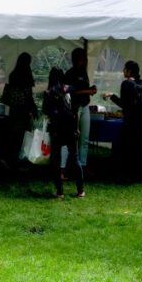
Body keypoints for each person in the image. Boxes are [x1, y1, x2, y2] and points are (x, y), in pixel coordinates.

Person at [103, 60, 142, 183]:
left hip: (131, 123)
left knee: (129, 148)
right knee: (141, 148)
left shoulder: (126, 84)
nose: (122, 71)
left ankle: (128, 174)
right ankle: (141, 174)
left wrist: (112, 96)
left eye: (124, 69)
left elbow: (124, 104)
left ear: (129, 71)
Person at [43, 68, 84, 199]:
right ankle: (80, 190)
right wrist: (77, 128)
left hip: (56, 130)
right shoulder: (71, 89)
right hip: (71, 128)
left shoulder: (49, 92)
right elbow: (76, 110)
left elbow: (46, 112)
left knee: (56, 160)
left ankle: (60, 192)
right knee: (75, 157)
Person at [1, 52, 38, 168]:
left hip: (14, 110)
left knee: (13, 135)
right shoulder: (26, 74)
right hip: (23, 110)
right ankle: (20, 160)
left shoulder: (13, 74)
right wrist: (33, 107)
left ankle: (11, 159)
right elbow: (28, 94)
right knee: (23, 136)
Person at [62, 47, 95, 176]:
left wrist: (91, 89)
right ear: (76, 59)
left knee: (85, 138)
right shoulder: (70, 73)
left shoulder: (84, 73)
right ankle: (63, 168)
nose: (85, 61)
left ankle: (82, 167)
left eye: (85, 59)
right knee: (69, 138)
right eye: (83, 59)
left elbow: (84, 88)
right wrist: (88, 91)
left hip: (85, 106)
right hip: (73, 108)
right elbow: (70, 91)